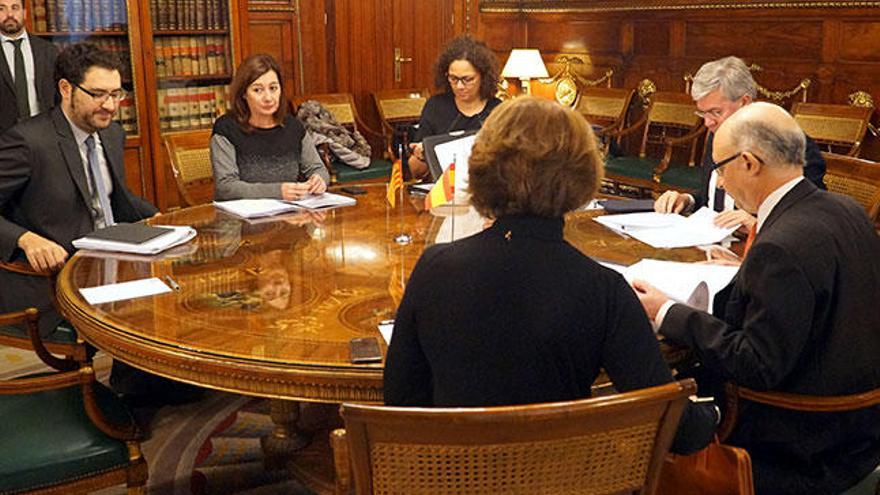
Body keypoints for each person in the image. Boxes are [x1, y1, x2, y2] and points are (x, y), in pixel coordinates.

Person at [384, 96, 716, 455]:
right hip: (564, 477)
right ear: (582, 177)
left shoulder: (435, 268)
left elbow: (401, 399)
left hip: (453, 477)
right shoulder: (603, 289)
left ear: (482, 170)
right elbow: (676, 428)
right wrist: (713, 413)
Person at [635, 102, 880, 494]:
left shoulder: (781, 245)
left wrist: (667, 311)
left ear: (749, 163)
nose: (720, 184)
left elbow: (755, 364)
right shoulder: (847, 210)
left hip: (799, 446)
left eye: (720, 169)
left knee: (651, 411)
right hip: (861, 429)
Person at [0, 43, 156, 334]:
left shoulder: (111, 133)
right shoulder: (28, 142)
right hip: (58, 280)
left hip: (115, 267)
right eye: (97, 94)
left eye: (116, 94)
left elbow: (114, 199)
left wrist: (165, 221)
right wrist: (24, 238)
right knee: (142, 324)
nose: (110, 106)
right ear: (66, 88)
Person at [654, 56, 825, 233]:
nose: (707, 122)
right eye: (703, 113)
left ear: (744, 102)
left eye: (715, 112)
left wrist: (756, 224)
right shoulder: (718, 134)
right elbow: (716, 197)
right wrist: (687, 200)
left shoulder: (790, 145)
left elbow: (811, 216)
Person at [211, 53, 329, 201]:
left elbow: (318, 169)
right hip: (241, 219)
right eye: (258, 90)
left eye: (273, 88)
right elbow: (226, 187)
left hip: (289, 216)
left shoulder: (293, 127)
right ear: (243, 94)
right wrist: (277, 191)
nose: (268, 97)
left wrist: (319, 180)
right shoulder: (226, 129)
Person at [407, 35, 502, 179]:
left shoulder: (498, 111)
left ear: (483, 77)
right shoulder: (436, 106)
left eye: (467, 79)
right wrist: (421, 156)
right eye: (453, 78)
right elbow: (415, 172)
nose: (459, 86)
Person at [0, 0, 58, 134]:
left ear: (24, 13)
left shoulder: (48, 51)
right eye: (1, 9)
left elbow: (59, 96)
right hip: (4, 138)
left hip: (45, 132)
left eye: (15, 8)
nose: (9, 14)